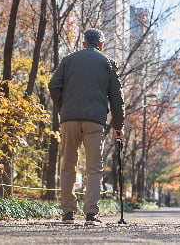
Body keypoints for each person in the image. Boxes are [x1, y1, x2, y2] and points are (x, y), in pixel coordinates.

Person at [48, 28, 125, 225]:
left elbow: (53, 85)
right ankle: (91, 213)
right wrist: (118, 125)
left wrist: (63, 107)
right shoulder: (107, 62)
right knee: (94, 167)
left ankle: (68, 213)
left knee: (67, 165)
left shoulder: (68, 60)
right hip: (94, 121)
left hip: (69, 120)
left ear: (83, 44)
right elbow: (116, 97)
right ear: (101, 45)